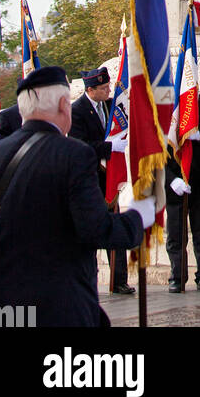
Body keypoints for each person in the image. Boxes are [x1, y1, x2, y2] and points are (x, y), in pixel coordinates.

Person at [0, 65, 154, 326]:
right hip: (58, 308)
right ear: (62, 105)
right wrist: (138, 218)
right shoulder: (74, 156)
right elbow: (96, 229)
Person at [69, 65, 133, 296]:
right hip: (91, 181)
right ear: (90, 89)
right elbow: (79, 146)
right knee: (91, 231)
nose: (108, 90)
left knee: (114, 228)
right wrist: (108, 148)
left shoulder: (110, 105)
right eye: (104, 88)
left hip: (110, 179)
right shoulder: (76, 110)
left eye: (108, 86)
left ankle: (119, 280)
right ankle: (89, 281)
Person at [164, 92, 200, 293]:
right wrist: (171, 180)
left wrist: (198, 135)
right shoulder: (160, 102)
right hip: (173, 178)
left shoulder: (194, 99)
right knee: (176, 234)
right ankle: (177, 277)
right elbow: (153, 148)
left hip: (198, 177)